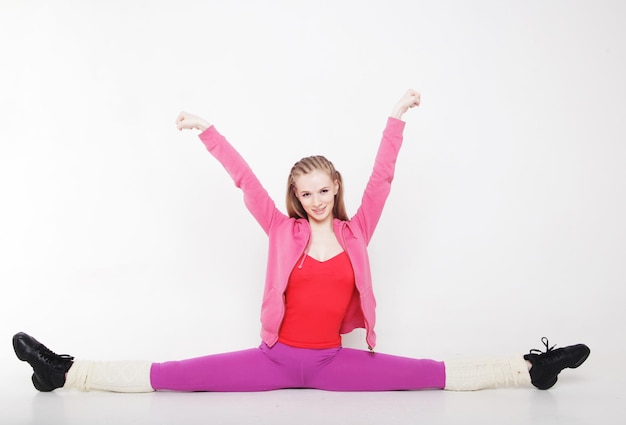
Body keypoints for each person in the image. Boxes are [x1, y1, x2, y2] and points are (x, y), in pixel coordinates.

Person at [13, 89, 590, 393]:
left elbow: (384, 179)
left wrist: (394, 119)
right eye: (304, 192)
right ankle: (65, 371)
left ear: (335, 187)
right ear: (296, 196)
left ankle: (530, 369)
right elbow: (245, 181)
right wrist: (210, 133)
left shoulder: (355, 231)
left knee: (430, 373)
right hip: (271, 362)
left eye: (322, 190)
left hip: (337, 365)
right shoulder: (280, 230)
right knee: (170, 376)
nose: (314, 200)